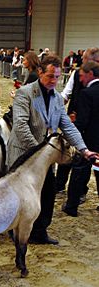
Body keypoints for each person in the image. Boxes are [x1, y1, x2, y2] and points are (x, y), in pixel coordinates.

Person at [6, 54, 97, 245]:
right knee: (18, 197)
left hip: (44, 159)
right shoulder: (25, 93)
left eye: (57, 77)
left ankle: (40, 232)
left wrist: (84, 150)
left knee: (47, 194)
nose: (54, 81)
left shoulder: (57, 98)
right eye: (50, 76)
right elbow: (20, 125)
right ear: (40, 72)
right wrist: (39, 152)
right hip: (23, 154)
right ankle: (14, 231)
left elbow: (68, 126)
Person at [56, 47, 99, 194]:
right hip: (73, 122)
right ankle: (60, 185)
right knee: (66, 155)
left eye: (86, 60)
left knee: (86, 163)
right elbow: (66, 94)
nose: (83, 62)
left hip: (90, 128)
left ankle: (80, 192)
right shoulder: (76, 74)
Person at [62, 61, 99, 216]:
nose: (81, 80)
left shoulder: (87, 93)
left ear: (90, 74)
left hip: (88, 141)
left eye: (82, 76)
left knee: (79, 173)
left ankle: (71, 207)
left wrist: (71, 129)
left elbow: (82, 121)